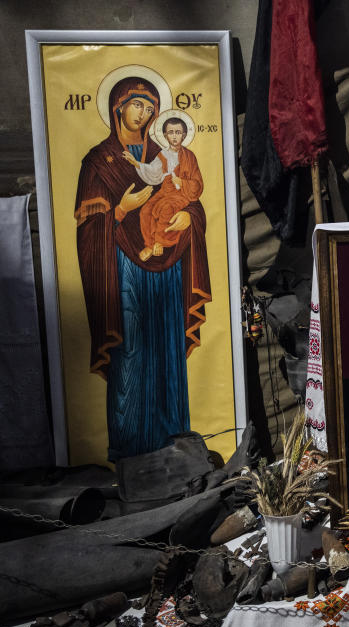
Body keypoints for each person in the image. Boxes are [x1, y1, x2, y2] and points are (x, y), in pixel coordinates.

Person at [74, 75, 212, 461]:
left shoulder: (167, 151)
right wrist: (121, 210)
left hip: (167, 267)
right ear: (118, 106)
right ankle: (130, 450)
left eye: (151, 108)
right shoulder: (98, 161)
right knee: (131, 350)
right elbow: (87, 227)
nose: (145, 113)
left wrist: (189, 218)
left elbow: (189, 195)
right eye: (138, 104)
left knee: (166, 350)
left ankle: (175, 447)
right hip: (123, 268)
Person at [122, 116, 204, 262]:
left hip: (181, 194)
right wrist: (136, 163)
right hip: (165, 190)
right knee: (146, 210)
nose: (174, 136)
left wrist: (182, 182)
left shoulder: (189, 157)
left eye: (178, 132)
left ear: (184, 135)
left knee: (166, 208)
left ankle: (160, 242)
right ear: (165, 136)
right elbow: (153, 171)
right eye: (171, 132)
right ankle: (149, 244)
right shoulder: (163, 155)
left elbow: (197, 183)